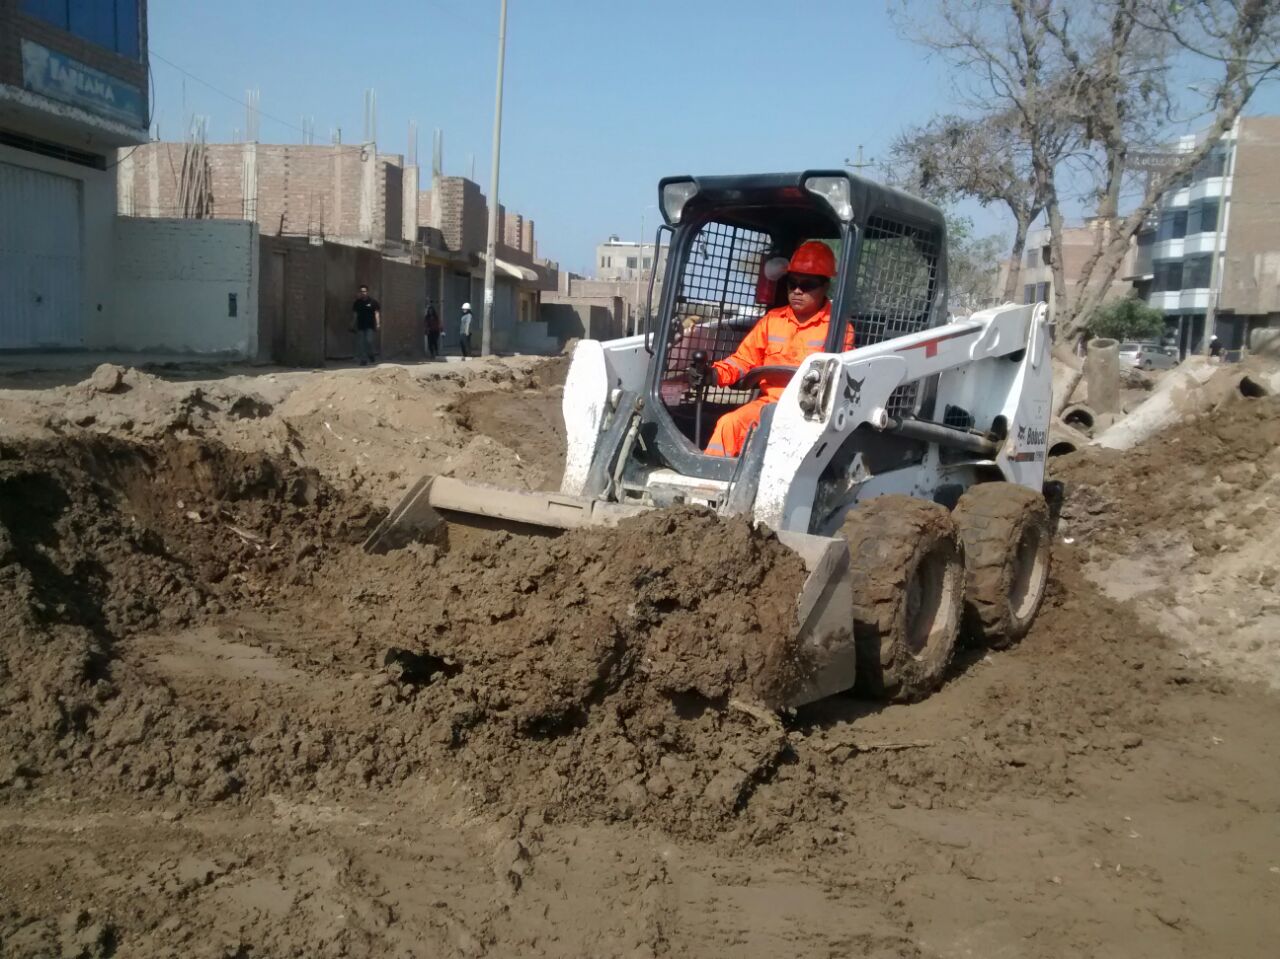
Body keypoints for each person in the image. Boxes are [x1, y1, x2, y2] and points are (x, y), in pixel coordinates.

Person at [689, 241, 851, 458]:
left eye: (807, 284)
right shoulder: (772, 321)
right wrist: (714, 373)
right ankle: (709, 480)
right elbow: (744, 361)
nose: (797, 291)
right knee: (729, 424)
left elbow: (841, 381)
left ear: (825, 286)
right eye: (792, 283)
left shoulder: (839, 328)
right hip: (770, 405)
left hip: (811, 414)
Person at [351, 284, 381, 366]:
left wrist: (378, 323)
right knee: (361, 343)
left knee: (369, 341)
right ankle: (363, 360)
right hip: (360, 325)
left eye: (364, 291)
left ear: (367, 292)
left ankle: (371, 355)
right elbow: (355, 315)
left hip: (370, 326)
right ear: (359, 292)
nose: (363, 293)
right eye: (361, 291)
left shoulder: (373, 302)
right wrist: (352, 324)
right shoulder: (357, 303)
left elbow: (376, 313)